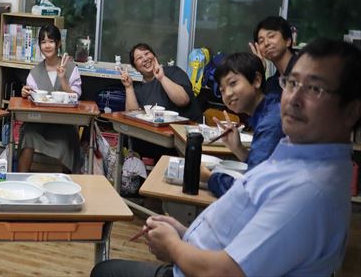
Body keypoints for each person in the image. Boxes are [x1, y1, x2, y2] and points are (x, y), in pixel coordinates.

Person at [91, 37, 360, 277]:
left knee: (105, 272)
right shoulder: (293, 153)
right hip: (195, 252)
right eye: (291, 83)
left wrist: (173, 245)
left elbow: (225, 271)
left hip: (194, 267)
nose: (293, 98)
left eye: (315, 88)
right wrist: (184, 233)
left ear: (351, 111)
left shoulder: (307, 190)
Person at [199, 53, 284, 197]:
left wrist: (209, 178)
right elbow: (261, 168)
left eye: (233, 83)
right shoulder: (267, 110)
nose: (227, 94)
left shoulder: (270, 121)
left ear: (256, 80)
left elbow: (252, 190)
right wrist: (238, 148)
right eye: (222, 90)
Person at [19, 24, 82, 173]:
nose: (47, 46)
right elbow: (30, 98)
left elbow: (75, 98)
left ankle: (67, 183)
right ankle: (21, 179)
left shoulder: (71, 68)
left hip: (64, 124)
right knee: (27, 133)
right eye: (43, 42)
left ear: (58, 43)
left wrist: (63, 79)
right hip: (39, 123)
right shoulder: (35, 72)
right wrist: (25, 93)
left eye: (51, 41)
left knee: (67, 142)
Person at [121, 43, 202, 121]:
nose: (145, 59)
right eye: (139, 58)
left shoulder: (174, 72)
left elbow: (183, 101)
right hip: (160, 129)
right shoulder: (139, 89)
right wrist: (128, 87)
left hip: (189, 127)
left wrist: (162, 78)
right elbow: (132, 117)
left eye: (147, 53)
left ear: (154, 56)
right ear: (135, 68)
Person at [250, 15, 299, 95]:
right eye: (261, 41)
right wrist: (260, 69)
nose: (266, 43)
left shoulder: (305, 69)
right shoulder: (272, 83)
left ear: (288, 41)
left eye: (271, 36)